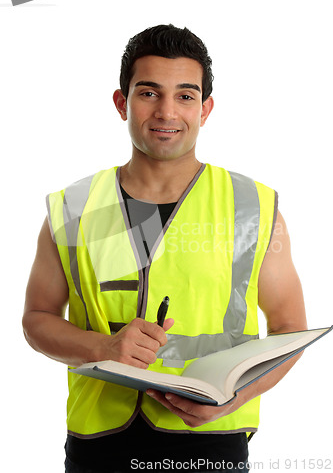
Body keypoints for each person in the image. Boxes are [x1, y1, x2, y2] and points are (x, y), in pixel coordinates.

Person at [23, 24, 307, 473]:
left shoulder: (252, 206)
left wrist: (237, 396)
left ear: (206, 108)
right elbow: (36, 319)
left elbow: (290, 329)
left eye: (186, 95)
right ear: (122, 102)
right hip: (99, 447)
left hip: (211, 441)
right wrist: (102, 347)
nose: (167, 112)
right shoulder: (73, 206)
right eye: (149, 93)